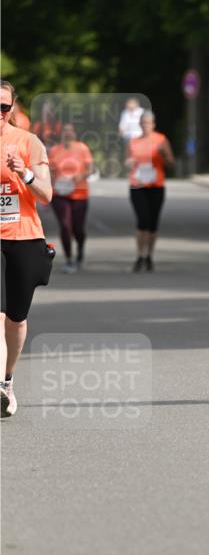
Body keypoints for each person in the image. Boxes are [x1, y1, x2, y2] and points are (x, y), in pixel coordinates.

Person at [0, 80, 54, 418]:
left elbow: (47, 195)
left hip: (24, 236)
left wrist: (27, 174)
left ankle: (7, 381)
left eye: (4, 107)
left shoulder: (28, 142)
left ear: (13, 108)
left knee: (16, 318)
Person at [126, 110, 174, 271]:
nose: (146, 126)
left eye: (149, 123)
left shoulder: (161, 140)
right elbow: (128, 161)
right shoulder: (133, 141)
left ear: (153, 124)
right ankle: (140, 255)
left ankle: (149, 255)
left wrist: (164, 155)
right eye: (143, 123)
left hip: (156, 185)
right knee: (142, 221)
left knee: (153, 223)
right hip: (137, 185)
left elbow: (171, 163)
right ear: (140, 124)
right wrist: (129, 163)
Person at [48, 123, 95, 272]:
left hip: (80, 193)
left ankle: (80, 251)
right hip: (60, 194)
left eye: (70, 131)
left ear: (74, 133)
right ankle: (69, 259)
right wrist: (51, 181)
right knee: (65, 225)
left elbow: (91, 169)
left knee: (78, 228)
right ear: (61, 134)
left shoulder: (82, 148)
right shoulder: (55, 150)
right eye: (65, 131)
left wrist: (81, 175)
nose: (67, 134)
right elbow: (48, 171)